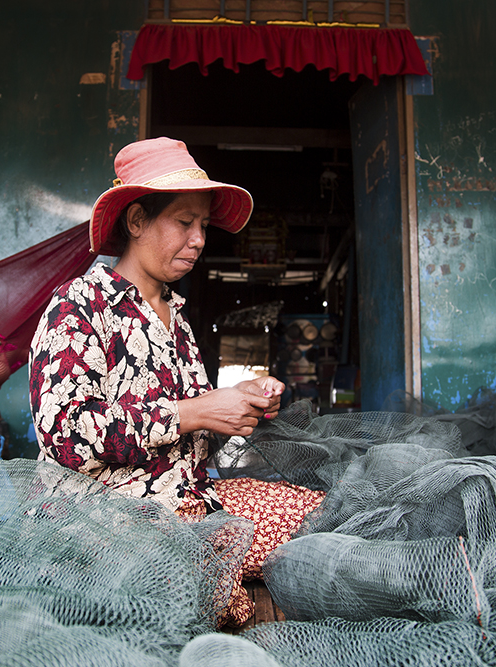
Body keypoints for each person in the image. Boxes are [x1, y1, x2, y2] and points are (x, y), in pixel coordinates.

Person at [28, 137, 324, 626]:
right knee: (219, 602)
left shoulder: (176, 318)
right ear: (136, 220)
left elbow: (191, 429)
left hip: (194, 505)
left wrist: (239, 404)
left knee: (322, 514)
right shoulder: (79, 306)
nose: (199, 239)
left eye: (203, 225)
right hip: (105, 524)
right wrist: (195, 412)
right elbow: (66, 435)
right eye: (185, 222)